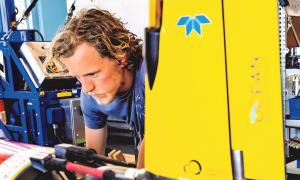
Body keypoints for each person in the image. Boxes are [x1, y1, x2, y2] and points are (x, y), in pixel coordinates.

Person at [49, 8, 145, 168]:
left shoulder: (153, 74)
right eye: (78, 77)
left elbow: (152, 145)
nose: (86, 88)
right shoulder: (90, 96)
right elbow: (92, 160)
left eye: (92, 74)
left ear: (120, 56)